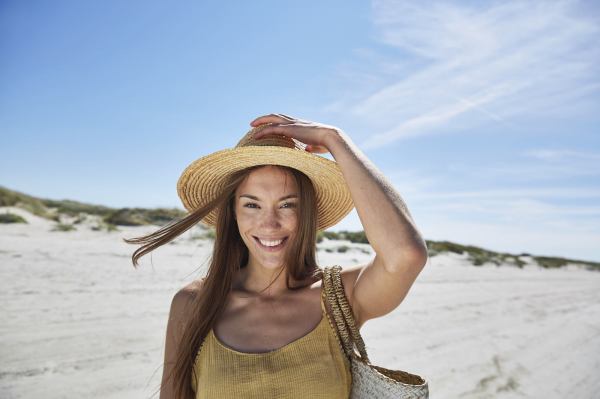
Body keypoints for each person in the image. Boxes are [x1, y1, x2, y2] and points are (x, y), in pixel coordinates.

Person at [124, 113, 429, 399]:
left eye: (287, 205)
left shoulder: (340, 297)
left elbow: (405, 255)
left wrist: (335, 138)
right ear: (233, 213)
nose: (269, 224)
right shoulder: (193, 305)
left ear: (306, 211)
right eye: (252, 205)